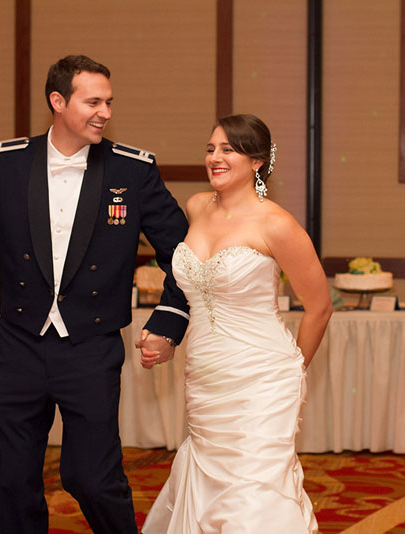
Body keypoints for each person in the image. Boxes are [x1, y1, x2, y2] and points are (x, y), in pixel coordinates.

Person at [0, 55, 189, 534]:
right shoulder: (5, 166)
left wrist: (168, 321)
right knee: (12, 482)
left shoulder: (132, 172)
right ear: (58, 101)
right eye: (93, 101)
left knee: (92, 478)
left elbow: (185, 254)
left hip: (90, 349)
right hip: (16, 348)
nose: (105, 112)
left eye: (108, 102)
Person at [141, 114, 332, 533]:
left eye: (228, 149)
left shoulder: (276, 224)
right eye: (211, 149)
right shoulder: (195, 208)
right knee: (208, 482)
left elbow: (319, 306)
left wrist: (292, 369)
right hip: (205, 377)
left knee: (253, 491)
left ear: (257, 162)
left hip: (263, 379)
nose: (215, 157)